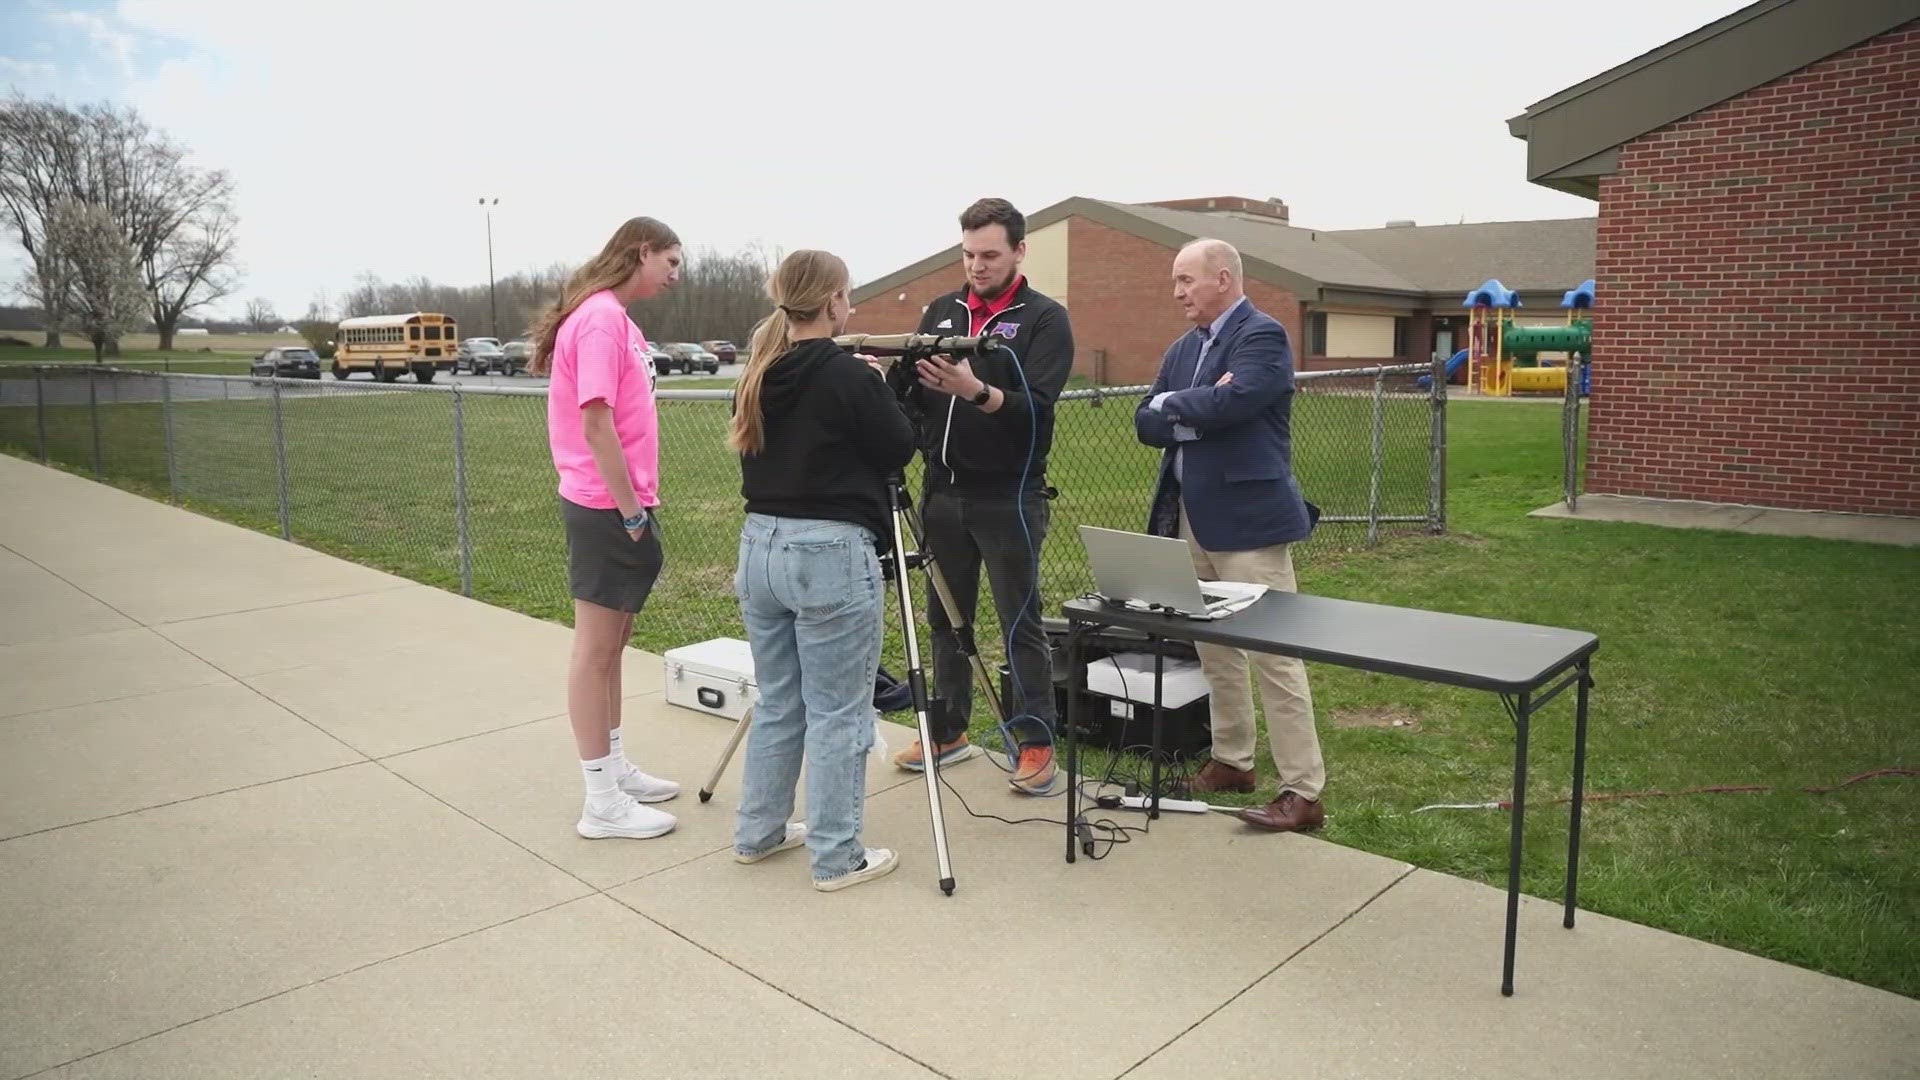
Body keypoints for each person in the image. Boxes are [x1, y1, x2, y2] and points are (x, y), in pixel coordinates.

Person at [729, 249, 917, 891]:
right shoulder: (848, 377)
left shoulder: (759, 370)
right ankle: (837, 856)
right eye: (848, 296)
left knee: (781, 701)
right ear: (833, 301)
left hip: (760, 547)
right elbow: (898, 448)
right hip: (829, 554)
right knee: (838, 710)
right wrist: (884, 387)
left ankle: (758, 831)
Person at [1134, 238, 1328, 833]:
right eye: (1175, 281)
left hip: (1249, 524)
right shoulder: (1184, 348)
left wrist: (1183, 410)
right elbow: (1146, 420)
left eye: (1186, 280)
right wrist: (1190, 405)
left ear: (1223, 278)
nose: (1177, 292)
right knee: (1214, 648)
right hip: (1191, 518)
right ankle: (1232, 760)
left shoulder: (1262, 336)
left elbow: (1239, 401)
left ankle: (1303, 790)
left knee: (1275, 655)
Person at [890, 197, 1075, 796]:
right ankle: (948, 730)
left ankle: (1035, 743)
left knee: (1020, 620)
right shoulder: (941, 311)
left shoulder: (1045, 319)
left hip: (1009, 499)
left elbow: (1037, 412)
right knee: (946, 619)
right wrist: (881, 377)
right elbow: (910, 395)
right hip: (941, 494)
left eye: (990, 254)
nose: (977, 265)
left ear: (1020, 251)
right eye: (968, 254)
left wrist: (975, 391)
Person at [528, 216, 685, 842]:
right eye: (671, 261)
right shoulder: (598, 319)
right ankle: (600, 801)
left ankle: (614, 770)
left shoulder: (617, 320)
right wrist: (627, 510)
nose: (676, 274)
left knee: (613, 647)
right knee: (595, 653)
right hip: (602, 506)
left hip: (620, 502)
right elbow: (596, 425)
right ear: (641, 252)